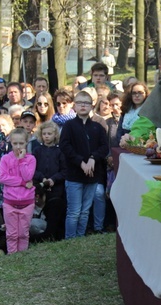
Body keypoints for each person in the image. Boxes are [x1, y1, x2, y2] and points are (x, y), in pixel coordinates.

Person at [59, 90, 108, 239]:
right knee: (74, 211)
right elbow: (65, 146)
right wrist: (80, 161)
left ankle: (80, 237)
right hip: (74, 175)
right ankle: (71, 239)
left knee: (85, 210)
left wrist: (93, 158)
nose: (83, 106)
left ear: (92, 106)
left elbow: (104, 147)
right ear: (74, 105)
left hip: (92, 175)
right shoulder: (69, 126)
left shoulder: (97, 128)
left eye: (86, 103)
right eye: (80, 103)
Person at [0, 128, 36, 253]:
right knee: (12, 234)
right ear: (11, 143)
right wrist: (22, 183)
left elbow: (28, 176)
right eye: (15, 143)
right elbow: (2, 178)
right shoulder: (5, 159)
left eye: (21, 143)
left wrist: (21, 160)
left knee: (23, 233)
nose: (18, 146)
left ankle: (22, 257)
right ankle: (12, 258)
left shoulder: (31, 159)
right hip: (10, 201)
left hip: (27, 202)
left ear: (26, 143)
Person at [32, 121, 67, 241]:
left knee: (54, 212)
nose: (46, 136)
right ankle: (42, 234)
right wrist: (42, 178)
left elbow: (64, 171)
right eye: (44, 134)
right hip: (40, 188)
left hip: (56, 189)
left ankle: (54, 235)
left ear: (55, 135)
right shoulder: (37, 151)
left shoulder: (59, 151)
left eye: (49, 134)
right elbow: (32, 170)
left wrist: (54, 179)